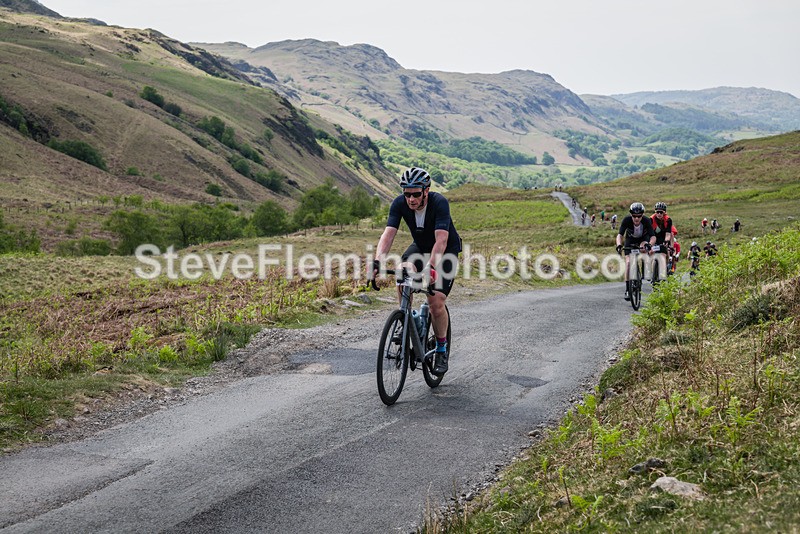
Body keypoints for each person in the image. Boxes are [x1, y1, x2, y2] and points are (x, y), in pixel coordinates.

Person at [373, 167, 461, 375]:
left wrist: (431, 268)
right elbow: (388, 234)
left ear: (426, 191)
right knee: (402, 272)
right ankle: (407, 317)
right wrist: (378, 261)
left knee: (435, 302)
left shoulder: (439, 203)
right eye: (407, 194)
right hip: (419, 247)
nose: (410, 199)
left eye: (415, 194)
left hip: (445, 251)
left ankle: (441, 349)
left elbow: (441, 240)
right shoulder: (399, 204)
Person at [615, 202, 656, 301]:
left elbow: (653, 236)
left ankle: (645, 267)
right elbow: (620, 235)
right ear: (631, 214)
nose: (636, 218)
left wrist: (650, 245)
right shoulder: (626, 220)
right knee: (628, 263)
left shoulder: (646, 220)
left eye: (639, 216)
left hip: (643, 239)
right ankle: (628, 289)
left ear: (642, 215)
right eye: (634, 216)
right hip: (630, 240)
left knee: (643, 248)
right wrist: (619, 245)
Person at [649, 202, 673, 283]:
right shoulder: (651, 219)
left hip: (663, 237)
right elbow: (649, 233)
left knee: (663, 255)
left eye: (661, 212)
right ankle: (653, 274)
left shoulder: (668, 220)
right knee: (651, 254)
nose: (659, 214)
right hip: (654, 237)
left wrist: (666, 241)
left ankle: (664, 270)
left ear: (664, 212)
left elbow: (668, 234)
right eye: (657, 212)